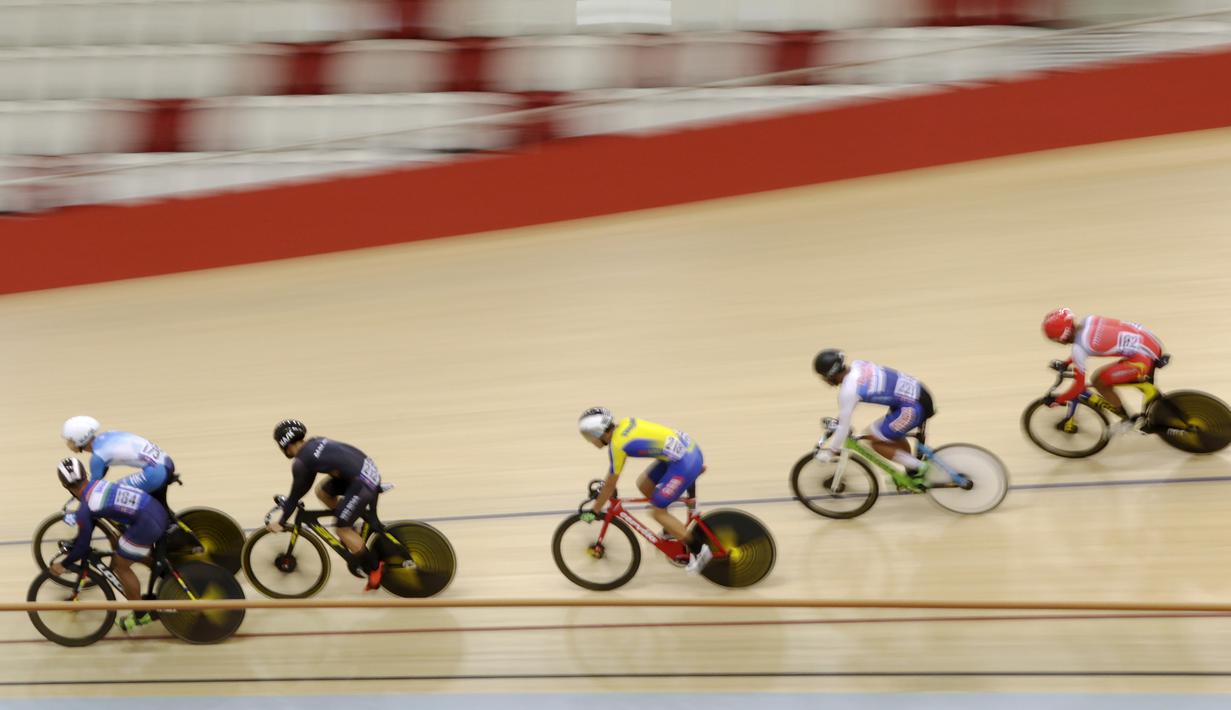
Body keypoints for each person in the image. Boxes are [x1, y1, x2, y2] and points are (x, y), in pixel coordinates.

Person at [577, 407, 712, 575]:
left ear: (597, 433)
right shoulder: (626, 423)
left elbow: (610, 485)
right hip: (686, 452)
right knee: (644, 485)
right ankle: (672, 529)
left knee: (657, 512)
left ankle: (699, 551)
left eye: (588, 437)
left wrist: (595, 511)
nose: (589, 441)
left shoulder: (618, 445)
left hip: (684, 463)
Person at [50, 457, 168, 632]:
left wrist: (63, 564)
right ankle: (163, 572)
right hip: (156, 511)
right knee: (121, 544)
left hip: (147, 525)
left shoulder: (85, 508)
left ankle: (141, 615)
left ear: (64, 486)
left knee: (121, 565)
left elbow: (83, 547)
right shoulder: (97, 485)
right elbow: (85, 533)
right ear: (86, 475)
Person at [267, 419, 384, 590]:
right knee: (322, 491)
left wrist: (281, 521)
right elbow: (303, 488)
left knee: (341, 529)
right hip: (365, 473)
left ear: (283, 443)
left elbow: (296, 494)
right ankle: (353, 526)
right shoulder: (313, 443)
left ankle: (374, 568)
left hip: (362, 484)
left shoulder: (302, 462)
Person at [813, 349, 936, 484]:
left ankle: (922, 468)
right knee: (886, 434)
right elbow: (845, 416)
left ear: (830, 374)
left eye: (823, 376)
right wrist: (839, 422)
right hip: (916, 394)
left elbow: (844, 426)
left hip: (912, 406)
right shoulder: (858, 364)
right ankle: (912, 471)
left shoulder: (848, 390)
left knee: (875, 440)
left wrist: (831, 452)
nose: (824, 380)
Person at [1041, 307, 1167, 427]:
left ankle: (1127, 420)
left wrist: (1058, 401)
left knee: (1098, 381)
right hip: (1151, 343)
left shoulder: (1079, 349)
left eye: (1055, 339)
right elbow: (1083, 349)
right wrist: (1067, 363)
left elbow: (1078, 387)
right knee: (1133, 379)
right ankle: (1158, 405)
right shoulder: (1088, 320)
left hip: (1143, 358)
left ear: (1062, 337)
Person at [61, 416, 176, 505]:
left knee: (114, 494)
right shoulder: (108, 435)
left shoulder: (97, 457)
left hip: (156, 473)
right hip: (164, 462)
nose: (68, 444)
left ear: (79, 439)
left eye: (69, 440)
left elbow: (91, 489)